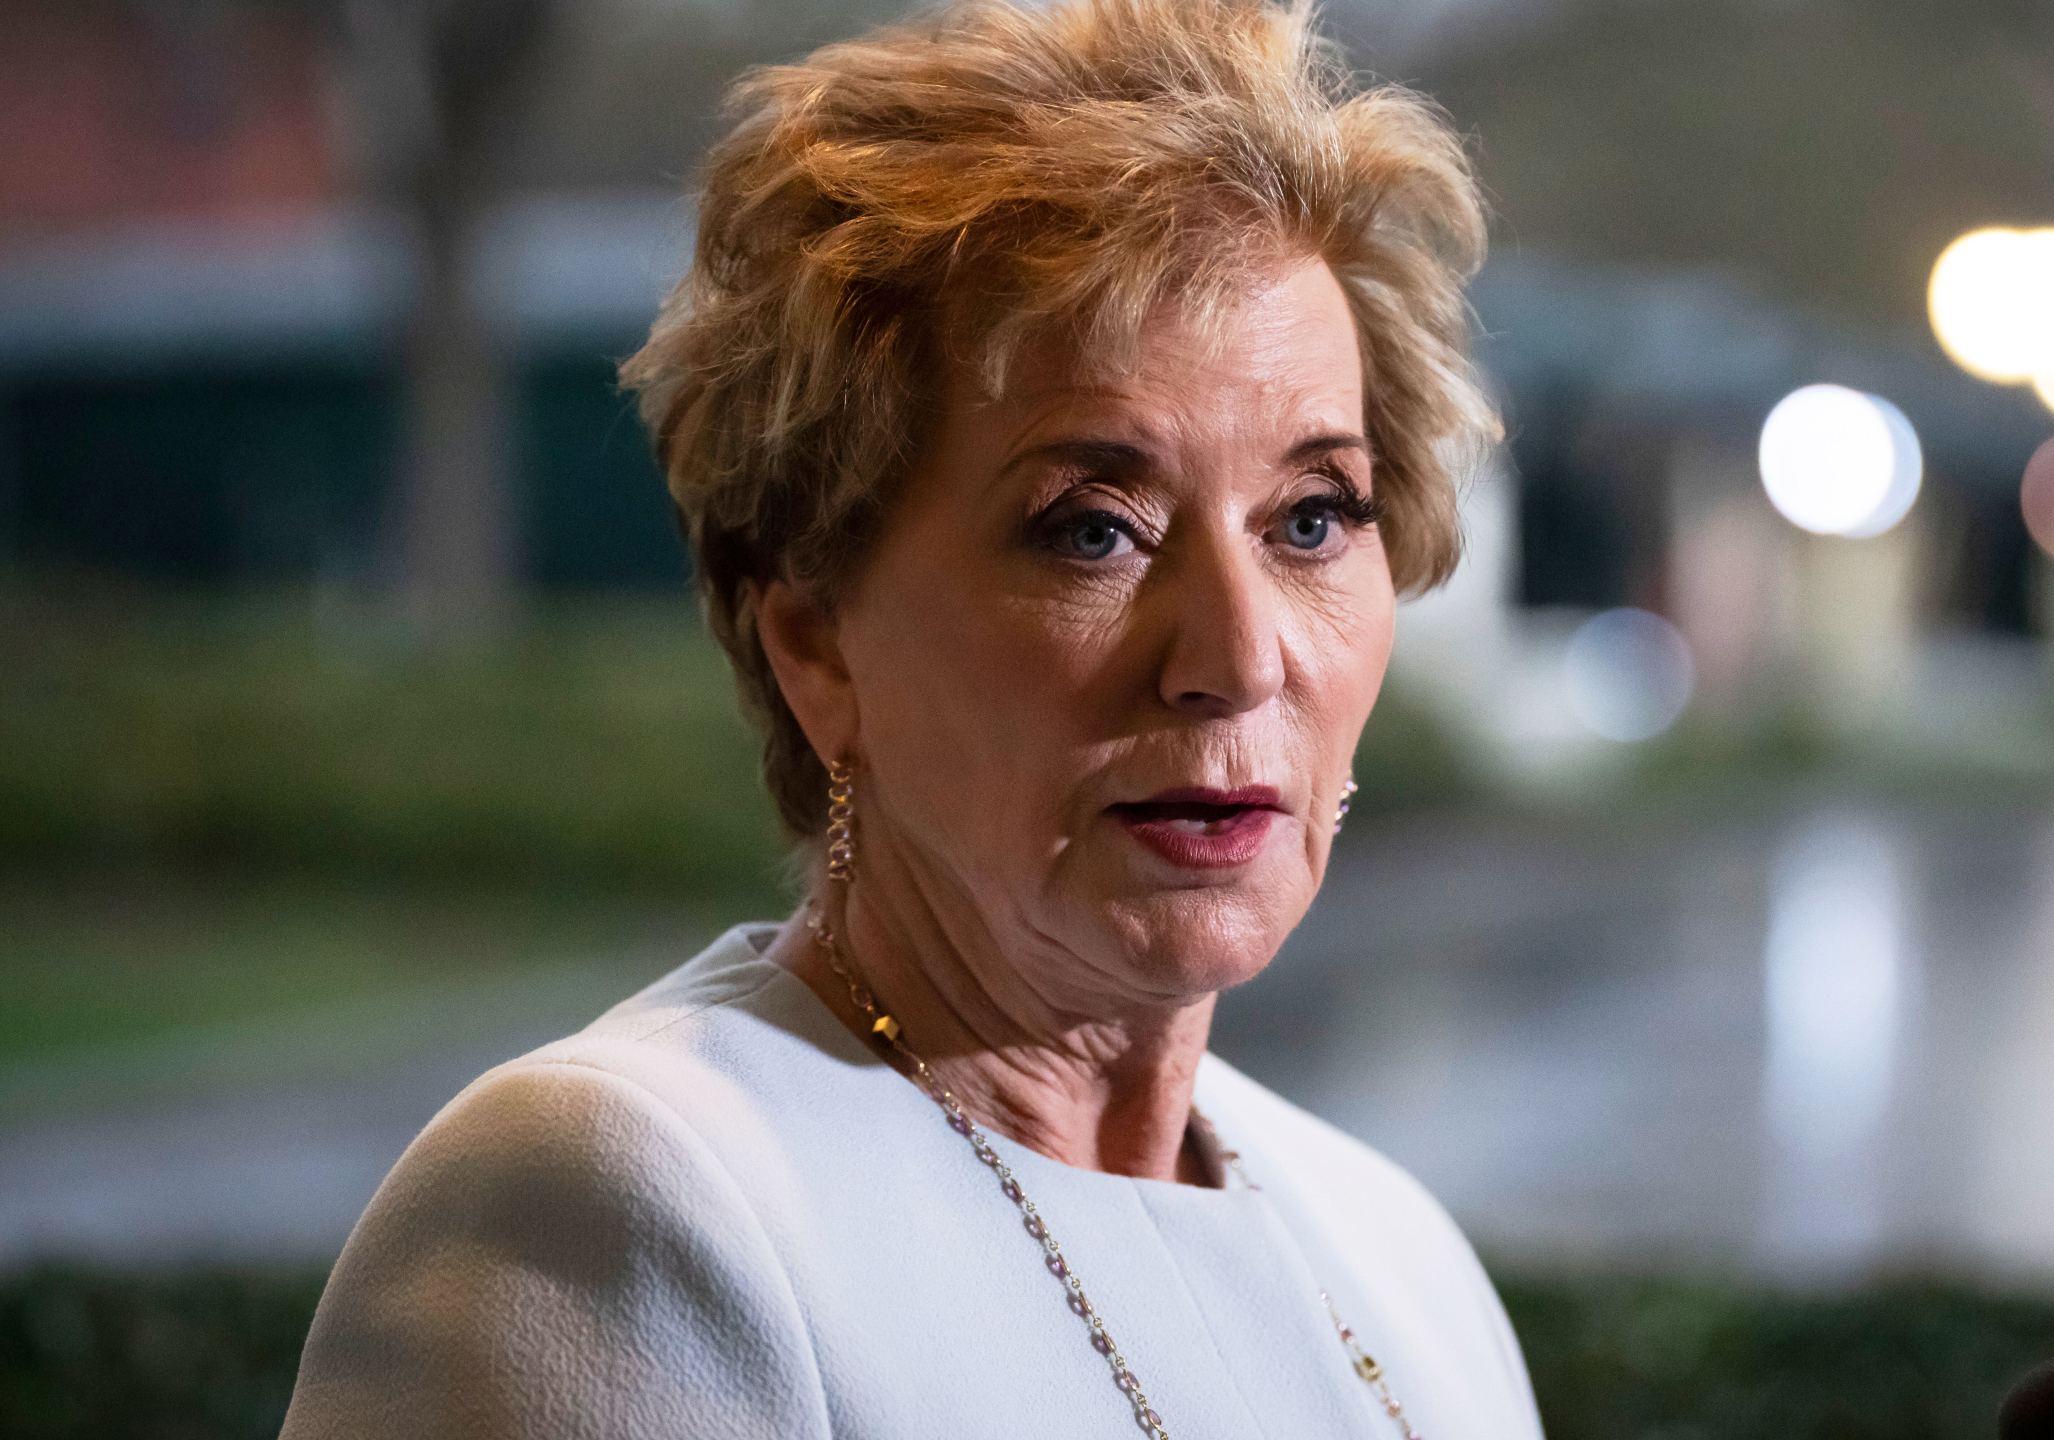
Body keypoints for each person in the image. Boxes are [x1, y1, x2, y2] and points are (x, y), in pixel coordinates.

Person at [281, 0, 1540, 1435]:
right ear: (816, 641)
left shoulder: (1400, 1258)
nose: (1241, 659)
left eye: (1312, 517)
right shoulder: (624, 1201)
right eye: (1094, 529)